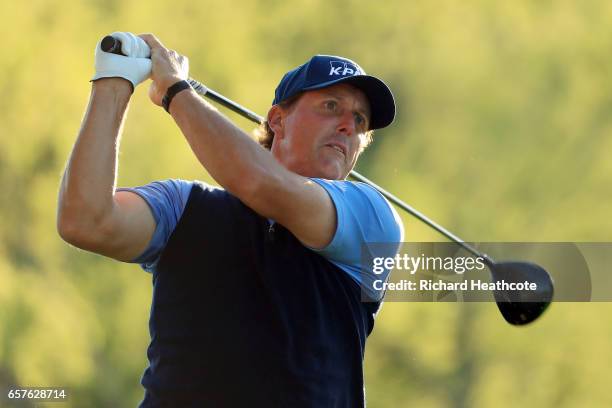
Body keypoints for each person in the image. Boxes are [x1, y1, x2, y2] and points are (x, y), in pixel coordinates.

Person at [57, 32, 403, 407]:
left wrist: (175, 90)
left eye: (359, 119)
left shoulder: (371, 217)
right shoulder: (184, 205)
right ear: (277, 120)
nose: (348, 126)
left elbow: (260, 184)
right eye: (331, 106)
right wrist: (114, 80)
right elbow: (86, 221)